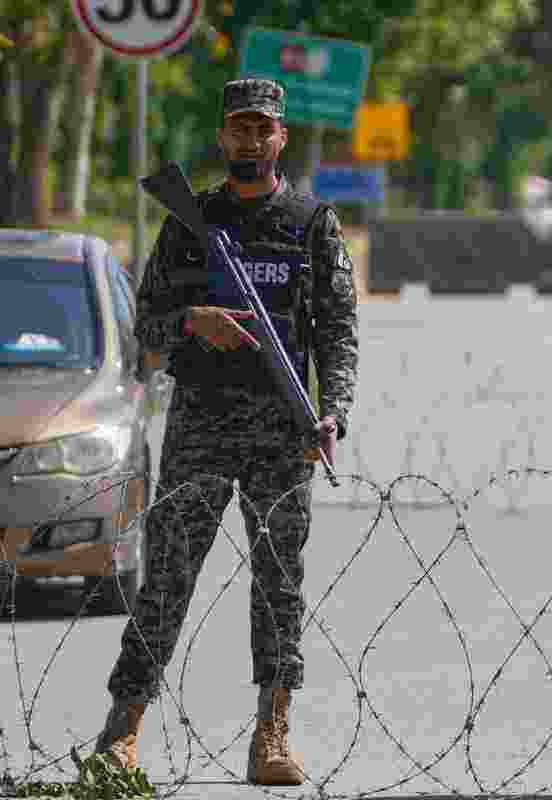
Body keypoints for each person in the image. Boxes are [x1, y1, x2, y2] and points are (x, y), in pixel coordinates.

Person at [94, 78, 359, 787]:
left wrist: (332, 410)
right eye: (238, 128)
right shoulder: (188, 219)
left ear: (281, 138)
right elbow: (145, 321)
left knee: (280, 587)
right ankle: (122, 729)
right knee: (169, 580)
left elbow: (337, 330)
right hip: (201, 428)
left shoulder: (310, 222)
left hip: (282, 432)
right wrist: (193, 323)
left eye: (262, 128)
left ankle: (271, 734)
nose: (250, 139)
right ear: (222, 137)